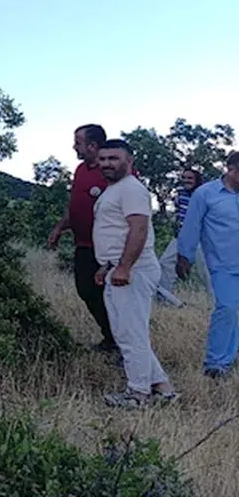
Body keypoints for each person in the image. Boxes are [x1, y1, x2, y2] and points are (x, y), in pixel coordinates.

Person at [92, 139, 177, 408]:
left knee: (130, 334)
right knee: (129, 331)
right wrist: (106, 266)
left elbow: (138, 230)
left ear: (129, 161)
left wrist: (125, 267)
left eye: (114, 159)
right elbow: (115, 232)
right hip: (118, 267)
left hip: (134, 270)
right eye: (103, 159)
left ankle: (138, 394)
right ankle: (163, 389)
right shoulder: (114, 190)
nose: (107, 164)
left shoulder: (131, 189)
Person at [46, 124, 118, 354]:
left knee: (113, 295)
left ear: (92, 145)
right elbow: (75, 205)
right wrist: (60, 228)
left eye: (78, 142)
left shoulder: (113, 172)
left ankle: (123, 343)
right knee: (86, 290)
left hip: (108, 249)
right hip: (83, 245)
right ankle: (110, 336)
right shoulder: (80, 170)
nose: (74, 147)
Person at [175, 152, 239, 379]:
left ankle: (231, 354)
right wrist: (184, 256)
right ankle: (216, 363)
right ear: (230, 168)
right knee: (227, 308)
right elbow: (191, 226)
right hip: (223, 263)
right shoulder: (205, 194)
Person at [155, 168, 207, 307]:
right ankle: (164, 301)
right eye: (184, 177)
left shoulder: (204, 195)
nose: (186, 181)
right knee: (165, 263)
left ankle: (219, 303)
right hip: (181, 237)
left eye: (190, 178)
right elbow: (179, 215)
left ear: (197, 180)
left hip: (200, 239)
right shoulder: (180, 194)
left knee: (206, 270)